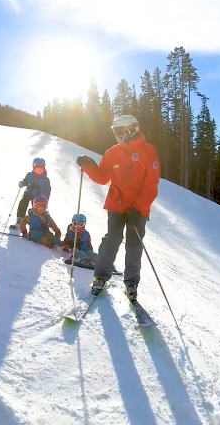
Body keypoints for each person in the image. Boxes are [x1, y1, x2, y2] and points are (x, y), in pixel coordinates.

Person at [76, 114, 160, 301]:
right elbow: (102, 177)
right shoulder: (113, 152)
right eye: (114, 131)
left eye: (119, 131)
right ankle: (100, 277)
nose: (116, 135)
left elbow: (151, 185)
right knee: (111, 240)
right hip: (117, 205)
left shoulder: (148, 152)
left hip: (137, 210)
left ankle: (131, 283)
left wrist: (139, 207)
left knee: (133, 245)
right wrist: (89, 167)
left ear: (131, 129)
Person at [14, 157, 51, 224]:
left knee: (36, 209)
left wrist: (46, 199)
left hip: (38, 197)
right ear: (34, 167)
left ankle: (36, 222)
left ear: (44, 167)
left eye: (41, 167)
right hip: (28, 193)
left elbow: (47, 190)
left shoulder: (45, 179)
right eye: (37, 166)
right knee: (23, 203)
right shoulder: (30, 175)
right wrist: (22, 183)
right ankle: (20, 218)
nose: (39, 169)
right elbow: (25, 181)